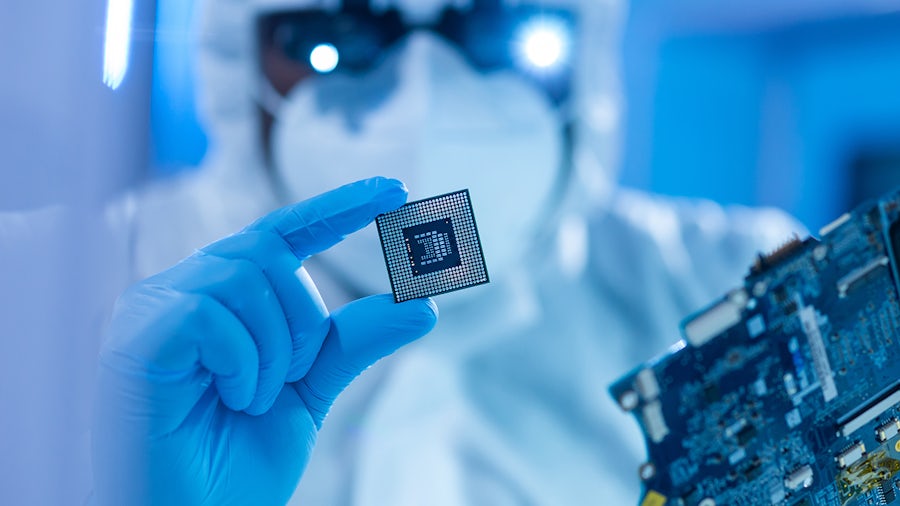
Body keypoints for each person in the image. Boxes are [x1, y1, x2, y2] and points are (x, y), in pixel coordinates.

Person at [96, 0, 806, 504]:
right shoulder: (55, 283)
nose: (422, 103)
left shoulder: (734, 280)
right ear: (235, 52)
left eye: (500, 27)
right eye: (336, 33)